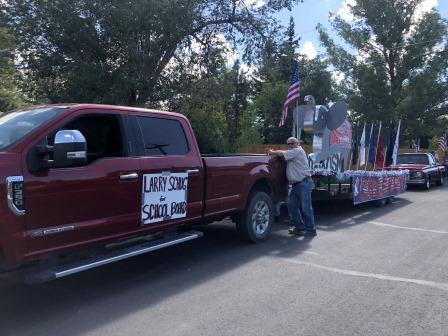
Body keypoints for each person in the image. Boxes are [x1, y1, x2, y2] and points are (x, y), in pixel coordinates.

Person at [268, 137, 316, 236]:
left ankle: (311, 230)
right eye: (288, 144)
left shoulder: (297, 151)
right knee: (291, 205)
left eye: (292, 143)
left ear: (297, 143)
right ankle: (299, 227)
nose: (290, 145)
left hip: (303, 183)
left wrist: (272, 151)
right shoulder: (293, 152)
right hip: (297, 184)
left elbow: (282, 153)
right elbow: (283, 152)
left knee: (306, 207)